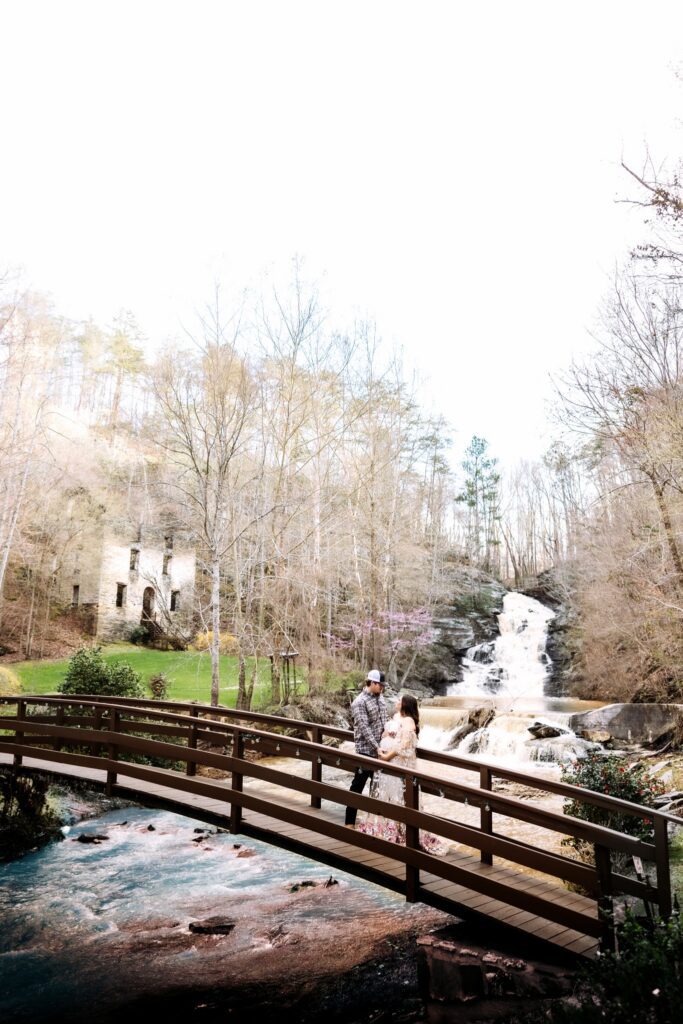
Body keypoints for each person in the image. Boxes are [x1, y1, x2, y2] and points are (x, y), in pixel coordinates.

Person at [356, 694, 448, 855]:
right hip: (389, 762)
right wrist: (385, 740)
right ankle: (388, 828)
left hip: (397, 763)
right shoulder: (397, 717)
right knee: (388, 795)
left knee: (399, 796)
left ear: (405, 704)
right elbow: (388, 734)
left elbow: (404, 745)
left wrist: (386, 756)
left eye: (400, 701)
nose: (397, 702)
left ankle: (401, 831)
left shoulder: (409, 721)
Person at [345, 669, 387, 828]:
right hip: (365, 751)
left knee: (376, 789)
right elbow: (364, 728)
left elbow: (384, 719)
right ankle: (349, 822)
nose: (382, 688)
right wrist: (376, 748)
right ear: (372, 683)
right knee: (357, 786)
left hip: (380, 750)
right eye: (380, 685)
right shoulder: (359, 702)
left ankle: (374, 824)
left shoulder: (380, 697)